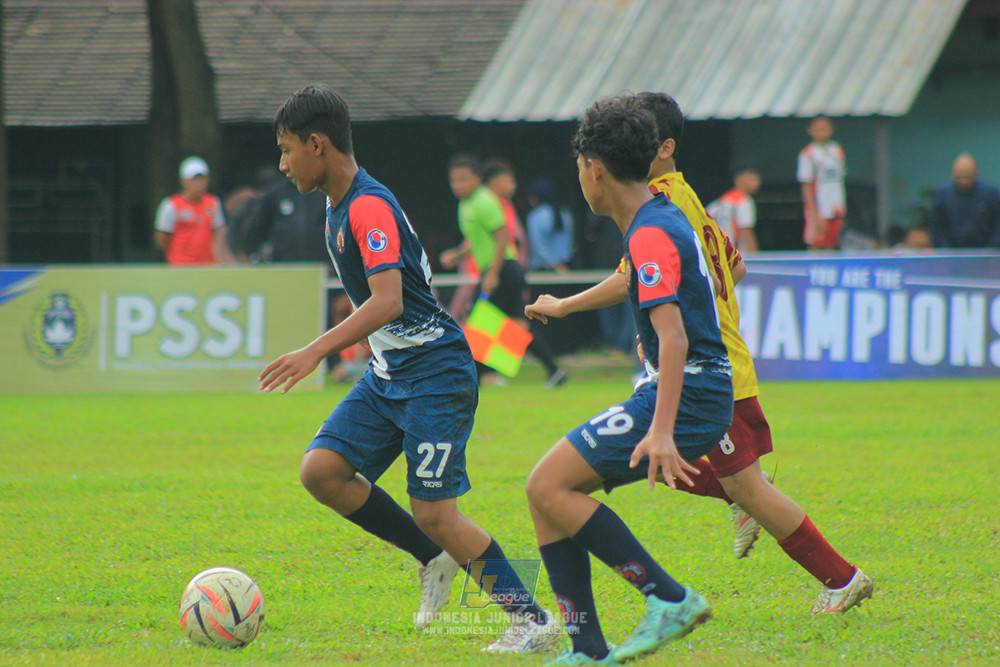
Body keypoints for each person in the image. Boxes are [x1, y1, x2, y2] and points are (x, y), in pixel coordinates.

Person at [527, 91, 873, 618]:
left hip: (712, 368)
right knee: (690, 468)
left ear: (660, 147)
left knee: (737, 484)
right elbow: (732, 268)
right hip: (714, 357)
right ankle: (824, 568)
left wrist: (572, 305)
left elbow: (636, 277)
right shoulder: (682, 196)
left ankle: (842, 578)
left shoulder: (655, 201)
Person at [257, 85, 560, 654]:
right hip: (391, 371)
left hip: (435, 372)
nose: (282, 163)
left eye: (286, 148)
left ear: (316, 145)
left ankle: (533, 619)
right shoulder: (336, 202)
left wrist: (314, 350)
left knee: (436, 513)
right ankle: (433, 560)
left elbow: (389, 300)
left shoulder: (366, 206)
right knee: (321, 472)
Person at [525, 95, 731, 665]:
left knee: (547, 486)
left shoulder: (649, 232)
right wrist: (566, 307)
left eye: (578, 167)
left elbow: (675, 338)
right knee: (546, 494)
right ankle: (586, 648)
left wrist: (661, 430)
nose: (580, 178)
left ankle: (669, 598)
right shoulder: (654, 221)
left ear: (594, 167)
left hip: (688, 393)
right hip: (689, 387)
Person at [440, 154, 567, 389]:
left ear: (478, 179)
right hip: (502, 271)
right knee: (515, 326)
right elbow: (477, 239)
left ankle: (475, 379)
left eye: (464, 179)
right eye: (454, 181)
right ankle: (554, 370)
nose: (458, 185)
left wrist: (492, 275)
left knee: (478, 322)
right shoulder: (466, 204)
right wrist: (457, 256)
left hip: (503, 271)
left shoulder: (484, 201)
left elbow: (501, 238)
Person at [154, 156, 235, 265]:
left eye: (202, 178)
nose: (199, 183)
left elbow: (219, 235)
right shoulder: (171, 205)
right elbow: (162, 240)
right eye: (194, 179)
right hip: (181, 266)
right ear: (183, 181)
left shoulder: (213, 203)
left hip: (208, 265)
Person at [929, 153, 1000, 248]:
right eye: (959, 177)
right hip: (951, 254)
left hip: (986, 252)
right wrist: (946, 252)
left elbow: (997, 226)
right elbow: (937, 228)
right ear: (952, 175)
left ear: (976, 174)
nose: (964, 181)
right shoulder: (942, 194)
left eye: (968, 177)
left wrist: (990, 250)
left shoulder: (992, 194)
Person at [797, 116, 846, 250]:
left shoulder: (837, 150)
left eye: (826, 129)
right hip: (819, 209)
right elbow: (806, 186)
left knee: (831, 244)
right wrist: (815, 215)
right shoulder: (808, 154)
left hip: (835, 209)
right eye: (818, 129)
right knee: (816, 245)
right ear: (810, 130)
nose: (822, 132)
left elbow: (839, 181)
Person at [483, 159, 529, 267]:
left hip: (508, 264)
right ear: (494, 182)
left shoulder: (507, 205)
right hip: (488, 267)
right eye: (509, 181)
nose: (513, 186)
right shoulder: (485, 204)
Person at [706, 163, 761, 253]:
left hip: (718, 256)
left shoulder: (721, 201)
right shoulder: (744, 201)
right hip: (736, 257)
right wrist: (755, 259)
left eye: (757, 179)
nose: (756, 183)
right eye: (751, 179)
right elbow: (747, 232)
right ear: (738, 179)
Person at [526, 179, 574, 272]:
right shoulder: (565, 214)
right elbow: (569, 244)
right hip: (565, 267)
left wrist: (554, 264)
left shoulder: (535, 216)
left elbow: (538, 246)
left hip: (542, 269)